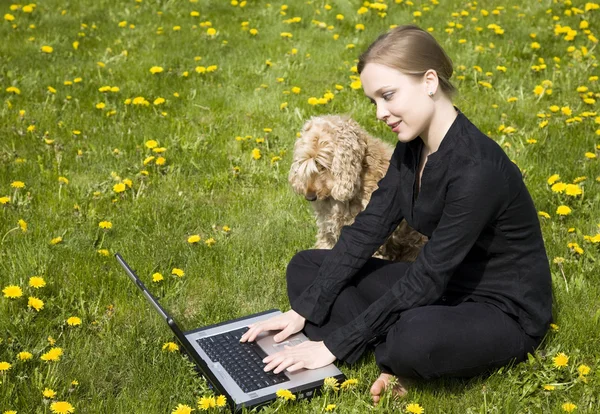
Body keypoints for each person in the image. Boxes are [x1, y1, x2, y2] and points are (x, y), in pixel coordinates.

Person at [240, 24, 553, 405]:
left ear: (429, 81)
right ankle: (385, 341)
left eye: (388, 96)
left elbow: (429, 276)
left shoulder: (476, 169)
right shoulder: (413, 149)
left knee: (413, 336)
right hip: (447, 288)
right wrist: (303, 309)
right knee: (306, 269)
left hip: (500, 309)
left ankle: (394, 350)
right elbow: (368, 228)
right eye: (373, 101)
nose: (380, 113)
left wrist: (334, 345)